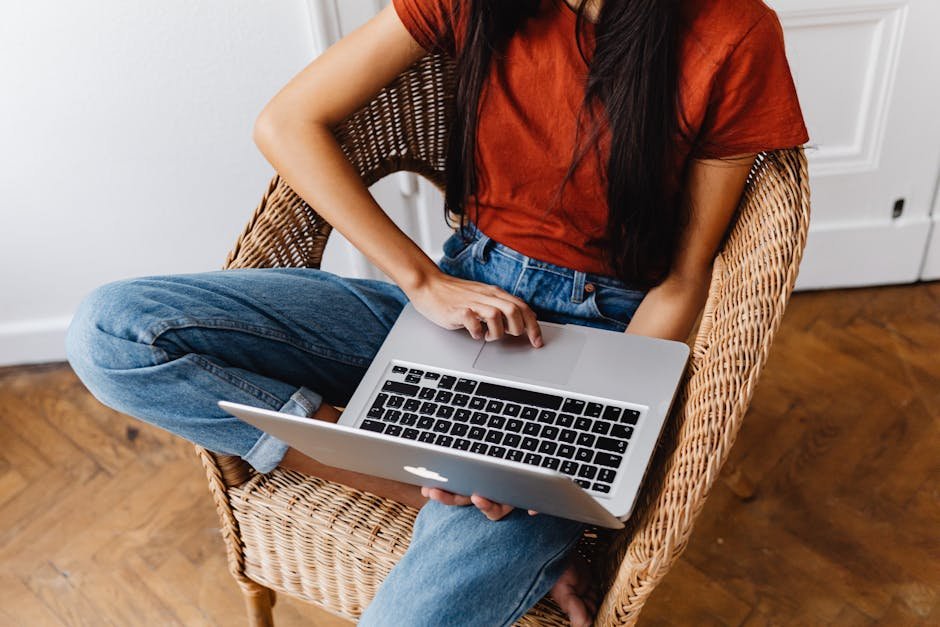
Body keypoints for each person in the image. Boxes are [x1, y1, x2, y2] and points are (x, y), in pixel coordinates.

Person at [66, 0, 808, 624]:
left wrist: (564, 444)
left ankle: (502, 502)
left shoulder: (736, 33)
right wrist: (422, 280)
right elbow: (287, 122)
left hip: (601, 335)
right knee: (110, 331)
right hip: (451, 300)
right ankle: (405, 474)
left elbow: (684, 278)